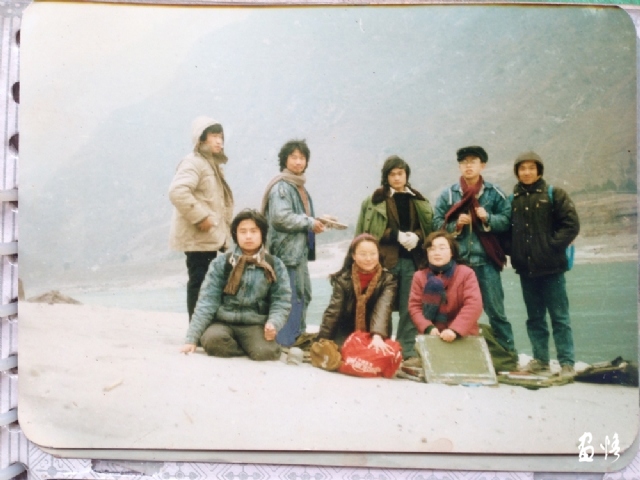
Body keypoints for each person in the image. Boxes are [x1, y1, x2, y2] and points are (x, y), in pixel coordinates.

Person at [433, 146, 516, 356]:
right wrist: (455, 226)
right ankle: (456, 355)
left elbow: (507, 221)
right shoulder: (448, 195)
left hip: (486, 262)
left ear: (482, 165)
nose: (468, 166)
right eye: (464, 162)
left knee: (496, 311)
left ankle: (508, 355)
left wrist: (488, 218)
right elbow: (435, 223)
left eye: (473, 161)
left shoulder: (494, 193)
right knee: (454, 311)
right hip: (457, 265)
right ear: (459, 166)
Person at [180, 209, 291, 361]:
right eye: (243, 231)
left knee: (265, 353)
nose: (248, 236)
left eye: (254, 231)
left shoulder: (275, 265)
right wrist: (191, 339)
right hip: (223, 322)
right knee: (213, 341)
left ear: (263, 234)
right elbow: (207, 301)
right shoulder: (221, 263)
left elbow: (281, 301)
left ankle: (250, 345)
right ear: (235, 235)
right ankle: (245, 348)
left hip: (254, 324)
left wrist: (273, 323)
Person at [355, 155, 433, 360]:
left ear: (406, 175)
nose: (397, 178)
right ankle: (382, 347)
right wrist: (395, 235)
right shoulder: (373, 202)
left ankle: (405, 350)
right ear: (386, 177)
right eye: (392, 174)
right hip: (384, 261)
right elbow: (364, 232)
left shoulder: (419, 200)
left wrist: (417, 236)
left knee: (411, 306)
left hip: (412, 261)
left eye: (400, 173)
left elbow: (428, 228)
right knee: (382, 305)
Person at [510, 152, 580, 377]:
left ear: (539, 171)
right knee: (534, 319)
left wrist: (550, 247)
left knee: (560, 317)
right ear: (517, 172)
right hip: (526, 270)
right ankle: (540, 360)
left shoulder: (554, 194)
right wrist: (515, 251)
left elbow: (571, 225)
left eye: (531, 168)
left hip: (552, 269)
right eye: (522, 168)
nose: (527, 172)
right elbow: (507, 232)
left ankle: (567, 362)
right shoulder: (513, 200)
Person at [169, 116, 234, 321]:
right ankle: (197, 330)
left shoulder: (210, 164)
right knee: (199, 283)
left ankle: (204, 327)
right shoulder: (194, 162)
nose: (219, 141)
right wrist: (200, 217)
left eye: (221, 137)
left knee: (208, 283)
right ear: (201, 138)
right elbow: (177, 191)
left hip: (209, 237)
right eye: (214, 136)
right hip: (199, 237)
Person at [261, 139, 325, 346]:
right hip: (286, 253)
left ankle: (296, 335)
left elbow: (300, 216)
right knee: (289, 297)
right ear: (284, 160)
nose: (298, 162)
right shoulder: (282, 187)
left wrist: (318, 221)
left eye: (302, 158)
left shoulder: (298, 186)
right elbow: (280, 217)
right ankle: (285, 341)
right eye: (293, 157)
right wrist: (310, 222)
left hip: (298, 253)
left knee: (303, 294)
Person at [317, 233, 397, 350]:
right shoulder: (343, 280)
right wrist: (321, 340)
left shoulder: (388, 280)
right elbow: (334, 311)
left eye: (373, 254)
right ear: (353, 255)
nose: (368, 258)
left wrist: (377, 335)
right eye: (363, 254)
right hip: (346, 333)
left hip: (377, 333)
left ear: (378, 254)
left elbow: (383, 308)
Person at [408, 231, 483, 345]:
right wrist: (428, 328)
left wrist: (454, 330)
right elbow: (414, 307)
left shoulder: (466, 273)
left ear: (452, 252)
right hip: (432, 336)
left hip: (463, 334)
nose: (436, 253)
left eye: (442, 248)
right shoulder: (419, 276)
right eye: (432, 249)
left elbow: (473, 305)